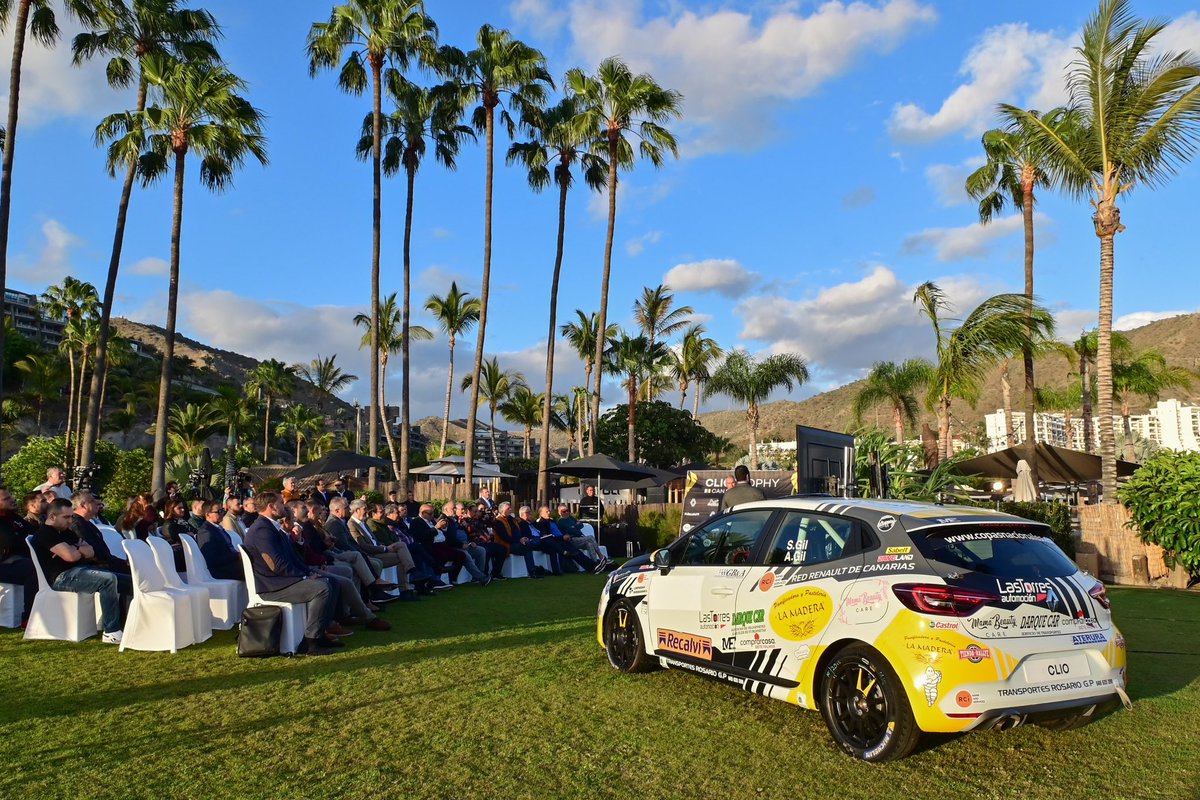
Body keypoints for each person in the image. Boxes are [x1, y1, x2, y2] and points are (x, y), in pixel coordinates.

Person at [242, 492, 346, 655]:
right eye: (281, 503)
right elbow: (277, 565)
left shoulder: (271, 527)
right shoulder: (262, 530)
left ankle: (321, 634)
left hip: (282, 580)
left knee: (330, 581)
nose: (284, 506)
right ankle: (310, 642)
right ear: (271, 507)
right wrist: (304, 577)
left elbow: (292, 558)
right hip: (273, 586)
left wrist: (309, 572)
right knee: (322, 588)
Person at [31, 498, 125, 643]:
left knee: (129, 580)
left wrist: (74, 550)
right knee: (108, 580)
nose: (70, 521)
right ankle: (111, 631)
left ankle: (127, 624)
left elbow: (91, 551)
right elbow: (70, 556)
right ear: (52, 517)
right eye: (66, 517)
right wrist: (77, 550)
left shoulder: (67, 532)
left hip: (80, 570)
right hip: (61, 577)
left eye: (71, 516)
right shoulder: (45, 533)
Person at [0, 488, 37, 627]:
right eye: (6, 499)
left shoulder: (13, 517)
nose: (12, 500)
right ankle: (28, 617)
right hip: (4, 565)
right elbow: (10, 541)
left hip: (16, 560)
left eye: (10, 497)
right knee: (32, 569)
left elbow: (35, 533)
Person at [533, 505, 598, 573]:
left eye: (549, 511)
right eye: (546, 512)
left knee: (576, 551)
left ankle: (593, 565)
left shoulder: (552, 521)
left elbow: (559, 530)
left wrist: (565, 535)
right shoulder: (542, 523)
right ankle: (592, 566)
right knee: (574, 551)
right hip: (556, 542)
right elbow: (547, 537)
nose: (549, 512)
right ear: (541, 513)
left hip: (563, 539)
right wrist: (562, 537)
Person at [194, 500, 244, 581]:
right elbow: (212, 559)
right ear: (208, 515)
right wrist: (237, 556)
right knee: (256, 568)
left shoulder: (217, 528)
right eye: (219, 511)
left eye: (223, 510)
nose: (222, 513)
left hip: (232, 564)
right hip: (221, 570)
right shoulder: (206, 532)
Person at [556, 504, 609, 569]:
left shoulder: (571, 518)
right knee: (590, 538)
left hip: (579, 538)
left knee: (589, 544)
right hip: (571, 540)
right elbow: (572, 531)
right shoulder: (560, 522)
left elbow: (581, 525)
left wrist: (574, 526)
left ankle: (596, 564)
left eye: (567, 510)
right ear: (559, 512)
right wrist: (575, 526)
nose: (566, 512)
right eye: (564, 511)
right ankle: (601, 556)